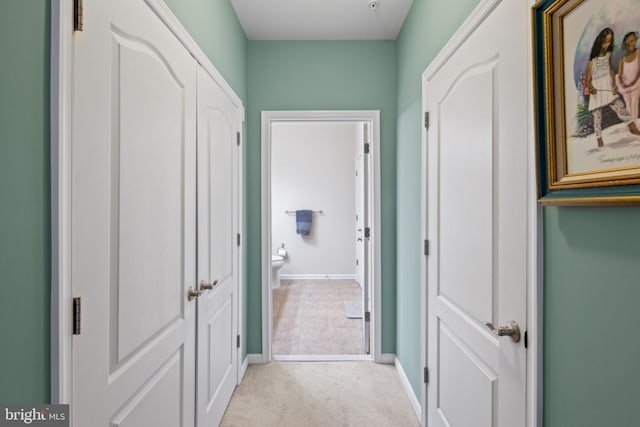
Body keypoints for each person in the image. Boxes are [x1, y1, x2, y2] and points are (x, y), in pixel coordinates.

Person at [586, 27, 640, 148]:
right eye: (605, 41)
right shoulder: (592, 61)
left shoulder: (608, 55)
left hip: (608, 86)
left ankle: (633, 128)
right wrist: (591, 87)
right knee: (597, 117)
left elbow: (610, 69)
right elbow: (587, 80)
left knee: (620, 107)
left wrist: (614, 85)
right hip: (597, 90)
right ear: (599, 42)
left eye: (609, 41)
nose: (607, 44)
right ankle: (599, 140)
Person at [616, 31, 640, 121]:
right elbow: (619, 74)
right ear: (624, 46)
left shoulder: (638, 52)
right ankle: (631, 124)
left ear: (636, 40)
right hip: (625, 84)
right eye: (627, 43)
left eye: (632, 41)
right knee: (628, 104)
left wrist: (633, 81)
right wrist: (622, 83)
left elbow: (639, 70)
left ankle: (635, 122)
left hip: (636, 82)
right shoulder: (623, 59)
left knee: (634, 102)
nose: (630, 44)